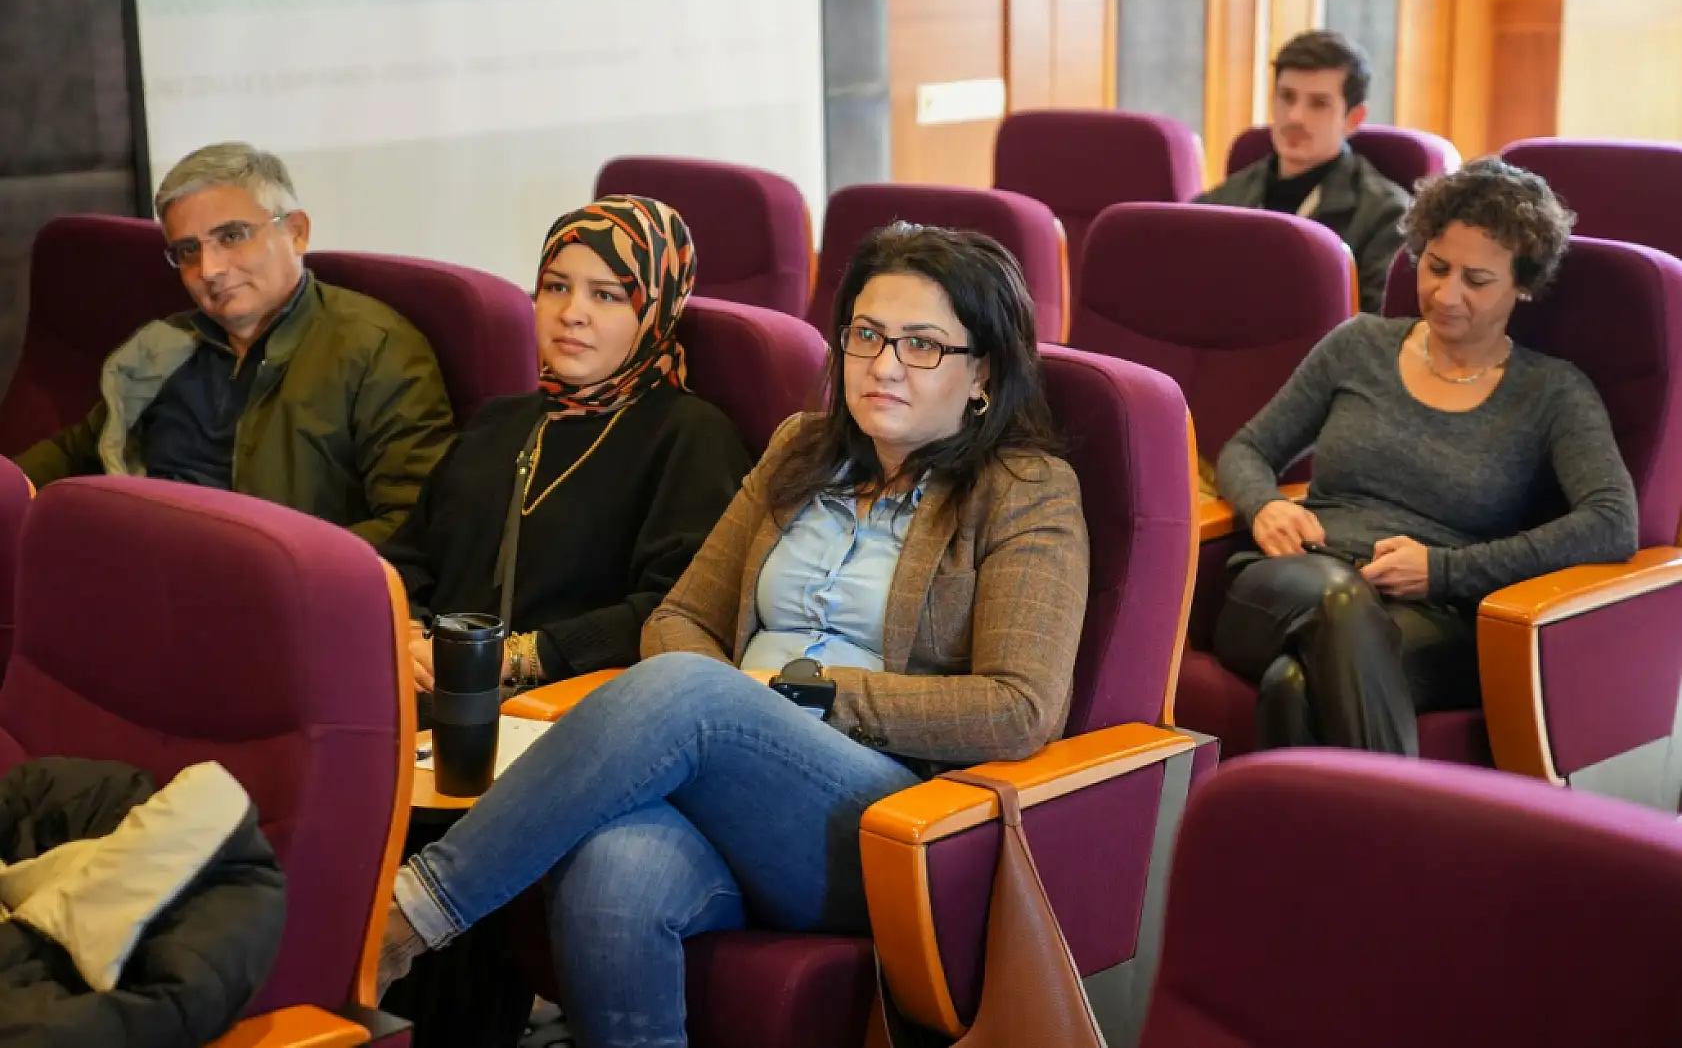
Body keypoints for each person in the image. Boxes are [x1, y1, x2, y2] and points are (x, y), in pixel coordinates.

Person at [378, 223, 1090, 1047]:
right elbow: (682, 615)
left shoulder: (1024, 489)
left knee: (696, 693)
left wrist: (785, 701)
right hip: (720, 779)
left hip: (893, 815)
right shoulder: (803, 450)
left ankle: (410, 915)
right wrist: (719, 722)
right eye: (865, 335)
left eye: (923, 346)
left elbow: (1020, 708)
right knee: (611, 872)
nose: (884, 365)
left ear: (983, 375)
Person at [1212, 157, 1639, 755]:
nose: (1446, 294)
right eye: (1435, 267)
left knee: (1292, 686)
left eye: (1477, 280)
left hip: (1438, 614)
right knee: (1336, 601)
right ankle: (1405, 836)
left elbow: (1612, 522)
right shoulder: (1358, 344)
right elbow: (1248, 449)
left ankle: (1318, 843)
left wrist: (1443, 570)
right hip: (1294, 581)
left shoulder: (1553, 392)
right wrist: (1264, 507)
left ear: (1522, 283)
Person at [383, 195, 753, 701]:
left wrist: (520, 657)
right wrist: (404, 628)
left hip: (570, 706)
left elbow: (678, 608)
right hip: (429, 685)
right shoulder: (498, 422)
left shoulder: (689, 436)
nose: (571, 314)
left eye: (606, 295)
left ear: (655, 312)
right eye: (556, 287)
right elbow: (410, 554)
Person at [15, 142, 453, 544]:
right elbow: (73, 453)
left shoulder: (377, 351)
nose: (209, 269)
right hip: (142, 573)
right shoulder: (163, 347)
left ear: (296, 232)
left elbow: (413, 524)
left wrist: (269, 576)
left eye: (231, 237)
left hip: (282, 596)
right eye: (188, 251)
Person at [1198, 29, 1409, 315]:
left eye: (1318, 104)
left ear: (1353, 119)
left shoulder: (1388, 215)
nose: (1295, 116)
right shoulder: (1217, 203)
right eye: (1287, 97)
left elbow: (1377, 334)